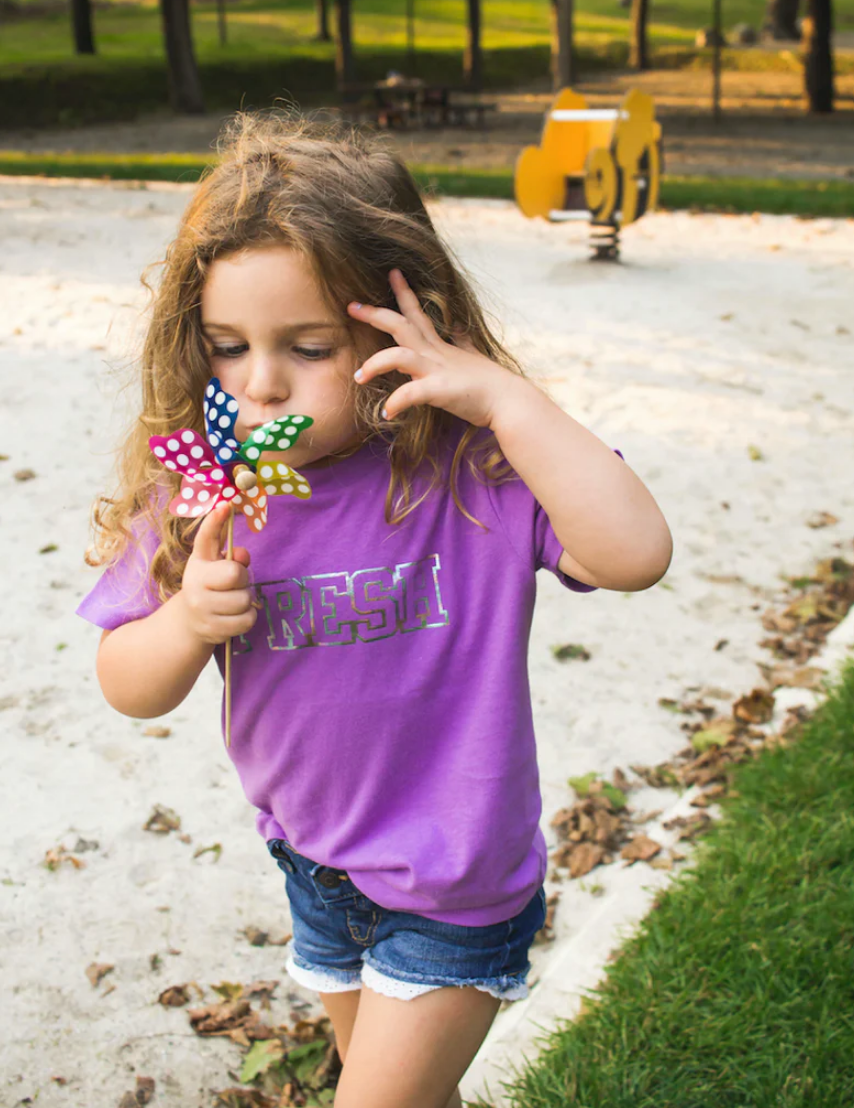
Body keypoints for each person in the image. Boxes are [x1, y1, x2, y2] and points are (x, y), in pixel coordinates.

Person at [77, 111, 672, 1108]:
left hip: (454, 883)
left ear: (399, 322)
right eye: (227, 346)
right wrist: (182, 620)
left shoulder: (475, 472)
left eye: (306, 345)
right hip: (315, 865)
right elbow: (125, 684)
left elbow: (634, 554)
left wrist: (504, 403)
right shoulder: (207, 490)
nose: (260, 383)